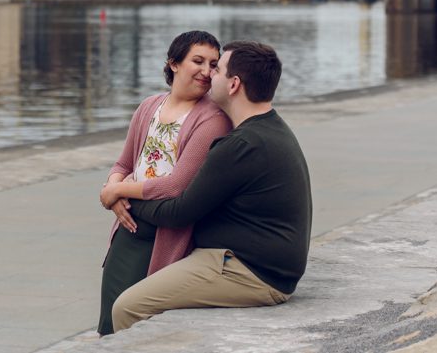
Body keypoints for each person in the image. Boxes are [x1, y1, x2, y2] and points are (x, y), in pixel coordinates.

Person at [104, 40, 312, 332]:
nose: (209, 75)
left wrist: (121, 196)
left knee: (128, 307)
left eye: (218, 69)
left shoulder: (241, 144)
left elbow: (179, 211)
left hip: (248, 271)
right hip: (259, 264)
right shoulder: (269, 128)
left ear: (234, 84)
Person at [97, 31, 232, 336]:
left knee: (147, 330)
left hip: (165, 236)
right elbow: (124, 164)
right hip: (126, 233)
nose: (206, 71)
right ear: (174, 63)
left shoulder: (212, 119)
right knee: (110, 327)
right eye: (197, 61)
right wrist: (113, 187)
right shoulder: (149, 107)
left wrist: (117, 190)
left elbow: (176, 186)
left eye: (213, 64)